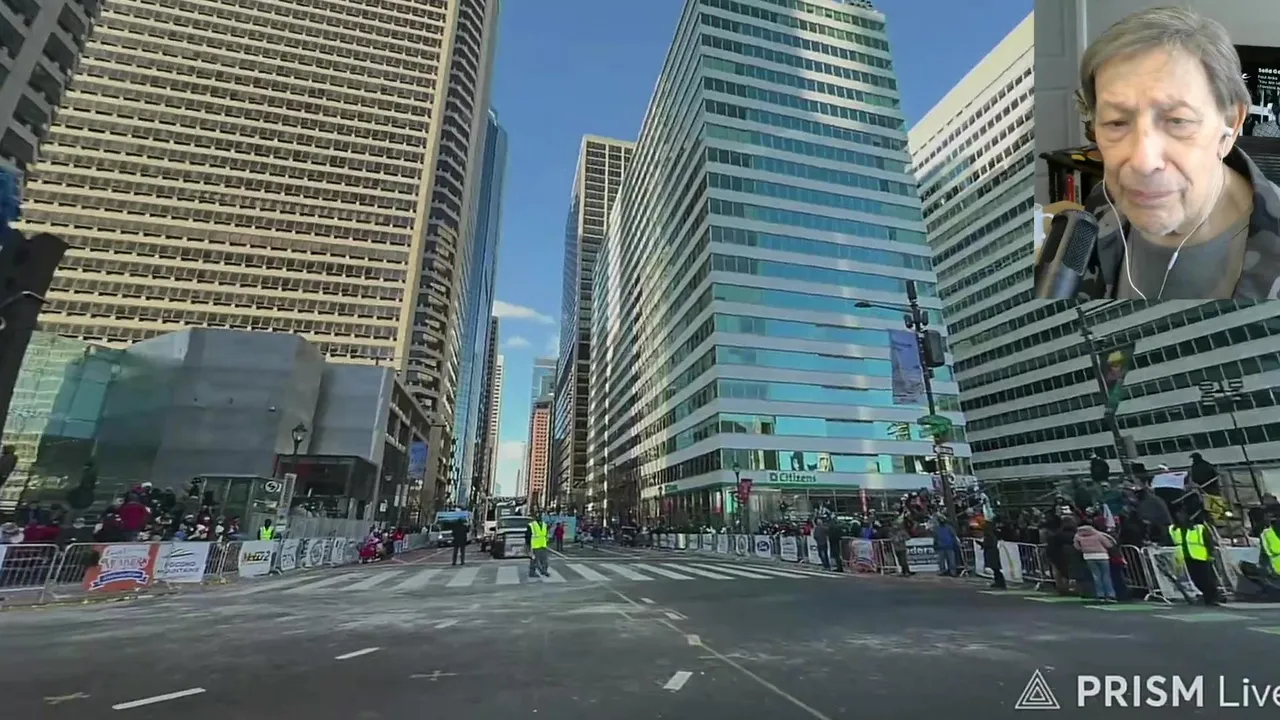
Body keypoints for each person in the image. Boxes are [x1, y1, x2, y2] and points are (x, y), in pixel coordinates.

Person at [1076, 7, 1280, 300]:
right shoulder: (1100, 206)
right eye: (1116, 123)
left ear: (1231, 124)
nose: (1143, 162)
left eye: (1177, 121)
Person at [1171, 508, 1220, 606]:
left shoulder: (1199, 528)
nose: (1180, 517)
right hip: (1185, 557)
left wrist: (1211, 554)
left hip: (1201, 557)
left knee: (1206, 579)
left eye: (1182, 515)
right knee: (1195, 579)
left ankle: (1212, 597)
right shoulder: (1174, 529)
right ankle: (1206, 596)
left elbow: (1209, 541)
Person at [1074, 518, 1118, 602]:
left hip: (1088, 556)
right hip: (1102, 556)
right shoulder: (1098, 534)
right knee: (1106, 575)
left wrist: (1083, 550)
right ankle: (1110, 595)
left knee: (1096, 576)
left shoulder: (1078, 535)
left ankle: (1100, 595)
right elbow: (1108, 545)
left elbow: (1076, 546)